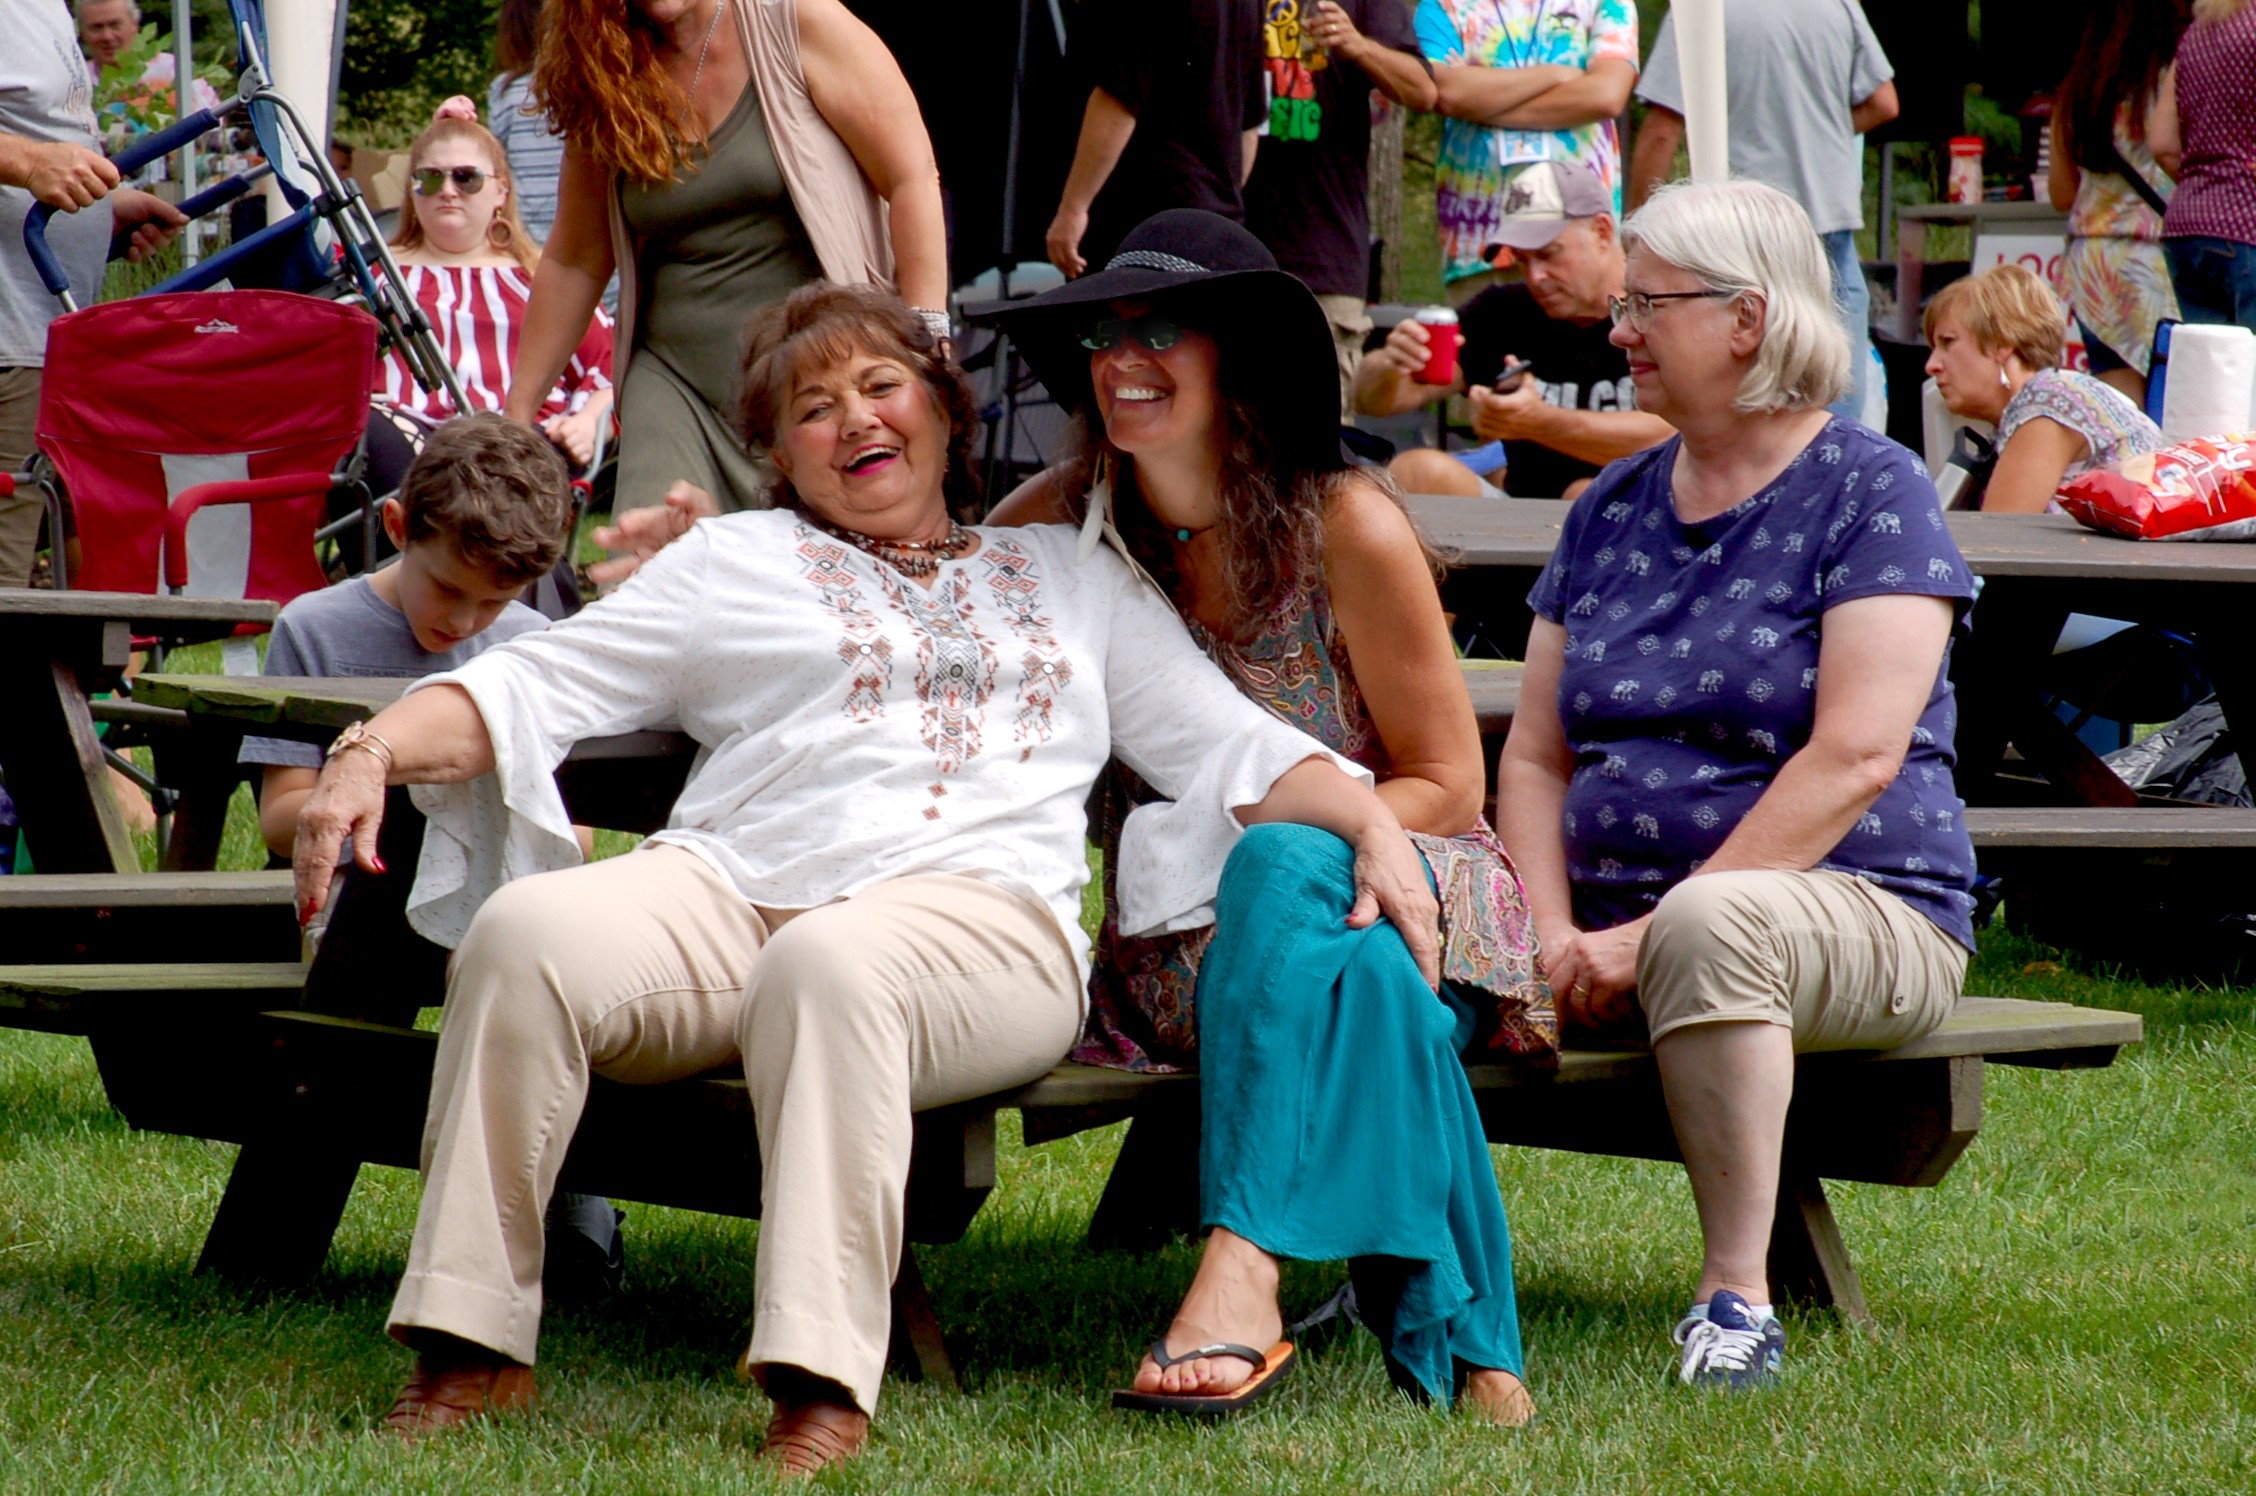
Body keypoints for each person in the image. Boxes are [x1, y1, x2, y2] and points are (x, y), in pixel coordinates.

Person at [294, 282, 1432, 1473]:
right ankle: (469, 1345)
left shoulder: (1067, 573)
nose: (854, 420)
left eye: (882, 386)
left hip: (980, 921)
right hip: (732, 889)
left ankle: (822, 1377)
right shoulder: (734, 558)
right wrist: (370, 750)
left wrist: (1371, 819)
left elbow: (1223, 739)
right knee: (526, 930)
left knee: (830, 963)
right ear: (781, 455)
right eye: (813, 408)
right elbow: (539, 681)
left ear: (943, 410)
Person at [977, 209, 1543, 1422]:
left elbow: (1450, 780)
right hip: (1188, 934)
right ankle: (1464, 1337)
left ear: (1238, 358)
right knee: (1347, 960)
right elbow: (915, 586)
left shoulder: (1345, 519)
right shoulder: (1054, 526)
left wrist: (1317, 837)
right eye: (1104, 335)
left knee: (1293, 860)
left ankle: (1242, 1268)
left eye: (1162, 330)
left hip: (1416, 892)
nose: (1123, 358)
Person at [1496, 179, 1980, 1389]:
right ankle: (1399, 1261)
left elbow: (1858, 754)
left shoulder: (1874, 491)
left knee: (1715, 922)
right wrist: (1548, 933)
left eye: (1646, 305)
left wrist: (1648, 933)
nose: (1620, 330)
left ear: (1747, 318)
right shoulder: (1609, 504)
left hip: (1862, 905)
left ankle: (1735, 1300)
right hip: (1604, 933)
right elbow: (1537, 753)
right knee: (1380, 905)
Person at [503, 0, 946, 518]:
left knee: (823, 560)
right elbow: (575, 259)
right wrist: (516, 415)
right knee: (655, 559)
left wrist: (926, 336)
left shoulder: (797, 21)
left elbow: (910, 176)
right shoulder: (607, 66)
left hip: (818, 386)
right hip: (675, 382)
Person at [243, 415, 569, 861]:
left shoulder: (530, 642)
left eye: (495, 603)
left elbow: (574, 833)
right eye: (447, 589)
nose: (463, 622)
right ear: (397, 528)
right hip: (347, 883)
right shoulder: (313, 629)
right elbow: (280, 823)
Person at [1630, 0, 1899, 424]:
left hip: (1744, 240)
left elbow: (1663, 131)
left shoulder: (1704, 10)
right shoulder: (1838, 4)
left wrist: (1636, 238)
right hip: (1830, 230)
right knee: (1834, 412)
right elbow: (1884, 103)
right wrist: (1815, 135)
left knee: (1744, 412)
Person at [0, 0, 183, 588]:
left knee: (91, 574)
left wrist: (103, 209)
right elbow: (31, 152)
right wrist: (29, 162)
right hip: (11, 341)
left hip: (48, 335)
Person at [1355, 161, 1671, 500]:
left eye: (1548, 254)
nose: (1535, 276)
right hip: (1519, 510)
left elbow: (1676, 435)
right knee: (1416, 471)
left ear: (1602, 232)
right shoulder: (1503, 312)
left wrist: (1539, 422)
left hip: (1639, 513)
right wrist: (1390, 364)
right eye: (1522, 259)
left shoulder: (1658, 308)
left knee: (1584, 494)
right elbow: (1377, 403)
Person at [380, 111, 613, 468]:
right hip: (403, 441)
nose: (447, 191)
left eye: (466, 178)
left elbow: (609, 367)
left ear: (501, 190)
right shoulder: (375, 275)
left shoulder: (541, 278)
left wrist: (587, 421)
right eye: (429, 178)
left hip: (522, 443)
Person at [1241, 1, 1436, 411]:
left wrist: (1357, 45)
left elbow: (1422, 90)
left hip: (1319, 257)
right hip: (1218, 253)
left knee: (1317, 436)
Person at [1414, 0, 1638, 295]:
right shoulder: (1444, 5)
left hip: (1579, 244)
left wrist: (1479, 102)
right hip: (1479, 247)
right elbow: (1443, 92)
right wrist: (1556, 74)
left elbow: (1605, 95)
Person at [1044, 0, 1264, 278]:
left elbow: (1118, 100)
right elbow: (1249, 125)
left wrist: (1073, 209)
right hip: (1214, 222)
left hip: (1138, 222)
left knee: (1124, 309)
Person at [1924, 265, 2164, 513]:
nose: (1931, 366)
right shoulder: (2052, 397)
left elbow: (1999, 533)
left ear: (2001, 343)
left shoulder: (2048, 407)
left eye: (1948, 342)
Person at [2047, 0, 2190, 409]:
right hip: (2162, 259)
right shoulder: (2179, 81)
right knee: (2180, 403)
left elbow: (2061, 194)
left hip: (2095, 266)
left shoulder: (2079, 88)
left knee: (2121, 410)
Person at [2149, 0, 2256, 330]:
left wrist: (2210, 181)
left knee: (2211, 362)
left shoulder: (2195, 34)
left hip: (2188, 227)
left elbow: (2163, 144)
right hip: (2248, 224)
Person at [482, 0, 567, 249]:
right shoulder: (595, 86)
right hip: (589, 238)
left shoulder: (506, 90)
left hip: (525, 240)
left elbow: (495, 162)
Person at [77, 0, 137, 82]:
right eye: (97, 28)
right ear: (82, 33)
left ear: (134, 26)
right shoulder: (76, 82)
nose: (107, 37)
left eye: (115, 25)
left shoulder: (155, 73)